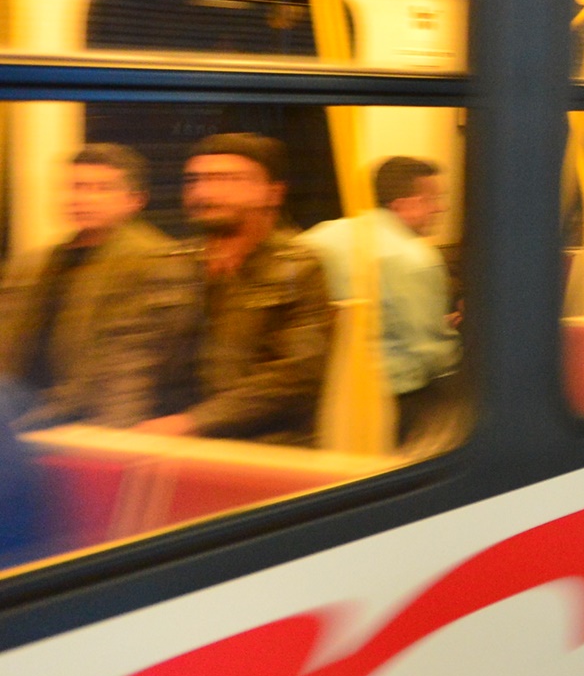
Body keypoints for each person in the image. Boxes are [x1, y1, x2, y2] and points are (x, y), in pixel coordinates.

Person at [135, 135, 332, 444]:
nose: (205, 191)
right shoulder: (169, 264)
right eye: (195, 180)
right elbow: (135, 353)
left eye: (227, 179)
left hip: (268, 446)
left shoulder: (301, 268)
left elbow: (296, 376)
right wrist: (121, 428)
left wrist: (193, 422)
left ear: (273, 193)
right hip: (170, 443)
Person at [0, 145, 197, 430]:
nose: (82, 198)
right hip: (25, 413)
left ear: (135, 200)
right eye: (75, 187)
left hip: (92, 422)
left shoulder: (154, 261)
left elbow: (128, 372)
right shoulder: (36, 262)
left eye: (101, 188)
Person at [302, 156, 462, 444]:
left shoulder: (318, 236)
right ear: (401, 204)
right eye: (431, 199)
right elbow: (430, 353)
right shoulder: (416, 258)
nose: (441, 207)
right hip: (390, 402)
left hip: (322, 396)